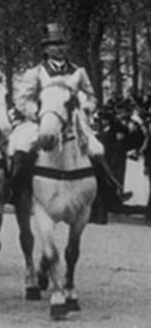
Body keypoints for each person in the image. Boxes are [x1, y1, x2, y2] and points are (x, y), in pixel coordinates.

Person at [9, 22, 131, 210]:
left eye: (62, 44)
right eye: (54, 45)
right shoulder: (36, 72)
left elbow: (91, 97)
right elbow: (22, 99)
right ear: (46, 49)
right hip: (43, 120)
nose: (59, 48)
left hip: (73, 122)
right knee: (23, 146)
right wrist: (37, 113)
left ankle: (110, 191)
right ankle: (15, 189)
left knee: (96, 149)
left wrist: (84, 108)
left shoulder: (78, 72)